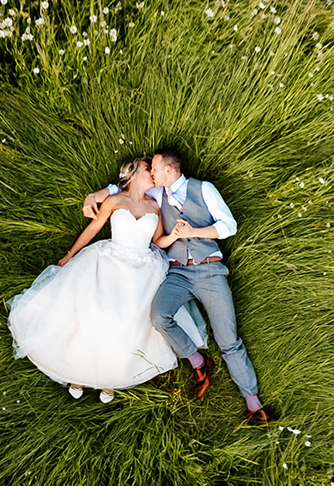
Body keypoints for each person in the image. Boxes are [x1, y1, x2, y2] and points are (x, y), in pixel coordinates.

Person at [79, 146, 269, 424]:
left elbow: (229, 226)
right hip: (177, 273)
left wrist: (194, 232)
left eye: (154, 168)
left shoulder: (204, 190)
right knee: (158, 315)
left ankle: (254, 404)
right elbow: (121, 189)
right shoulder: (156, 193)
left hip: (210, 272)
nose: (151, 173)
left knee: (229, 341)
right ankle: (199, 363)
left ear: (168, 169)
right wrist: (94, 196)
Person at [5, 153, 181, 402]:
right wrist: (70, 254)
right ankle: (79, 372)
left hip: (143, 267)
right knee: (96, 312)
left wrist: (174, 236)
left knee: (131, 320)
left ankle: (111, 378)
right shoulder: (114, 200)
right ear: (131, 174)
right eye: (146, 168)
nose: (152, 173)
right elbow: (93, 228)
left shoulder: (155, 207)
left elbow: (158, 242)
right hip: (110, 261)